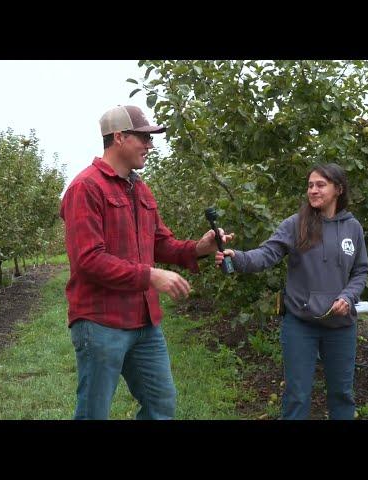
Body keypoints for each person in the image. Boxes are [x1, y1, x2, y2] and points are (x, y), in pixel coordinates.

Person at [60, 105, 232, 420]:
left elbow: (159, 242)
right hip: (101, 322)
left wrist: (199, 248)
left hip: (144, 323)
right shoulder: (86, 188)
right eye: (144, 138)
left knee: (160, 404)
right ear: (119, 137)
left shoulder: (139, 188)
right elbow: (88, 260)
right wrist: (150, 276)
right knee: (93, 412)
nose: (150, 146)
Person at [216, 163, 368, 419]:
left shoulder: (353, 228)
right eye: (310, 185)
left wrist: (348, 296)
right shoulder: (296, 224)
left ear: (338, 189)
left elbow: (360, 271)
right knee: (297, 394)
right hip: (301, 324)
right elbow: (267, 253)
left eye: (321, 185)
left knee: (342, 393)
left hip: (341, 325)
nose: (313, 190)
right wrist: (239, 258)